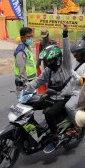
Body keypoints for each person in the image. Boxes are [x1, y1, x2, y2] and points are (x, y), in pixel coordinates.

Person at [26, 25, 72, 154]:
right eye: (46, 61)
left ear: (56, 59)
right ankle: (35, 132)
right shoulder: (48, 70)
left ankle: (55, 137)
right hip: (50, 98)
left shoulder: (66, 67)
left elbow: (67, 51)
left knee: (49, 114)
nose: (47, 63)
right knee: (28, 104)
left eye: (49, 61)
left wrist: (65, 34)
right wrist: (26, 88)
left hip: (63, 99)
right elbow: (37, 81)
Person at [62, 40, 85, 126]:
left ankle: (78, 125)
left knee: (69, 107)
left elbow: (82, 82)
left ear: (83, 53)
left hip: (79, 92)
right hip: (70, 89)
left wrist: (72, 72)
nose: (75, 55)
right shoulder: (75, 62)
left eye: (77, 53)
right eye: (74, 53)